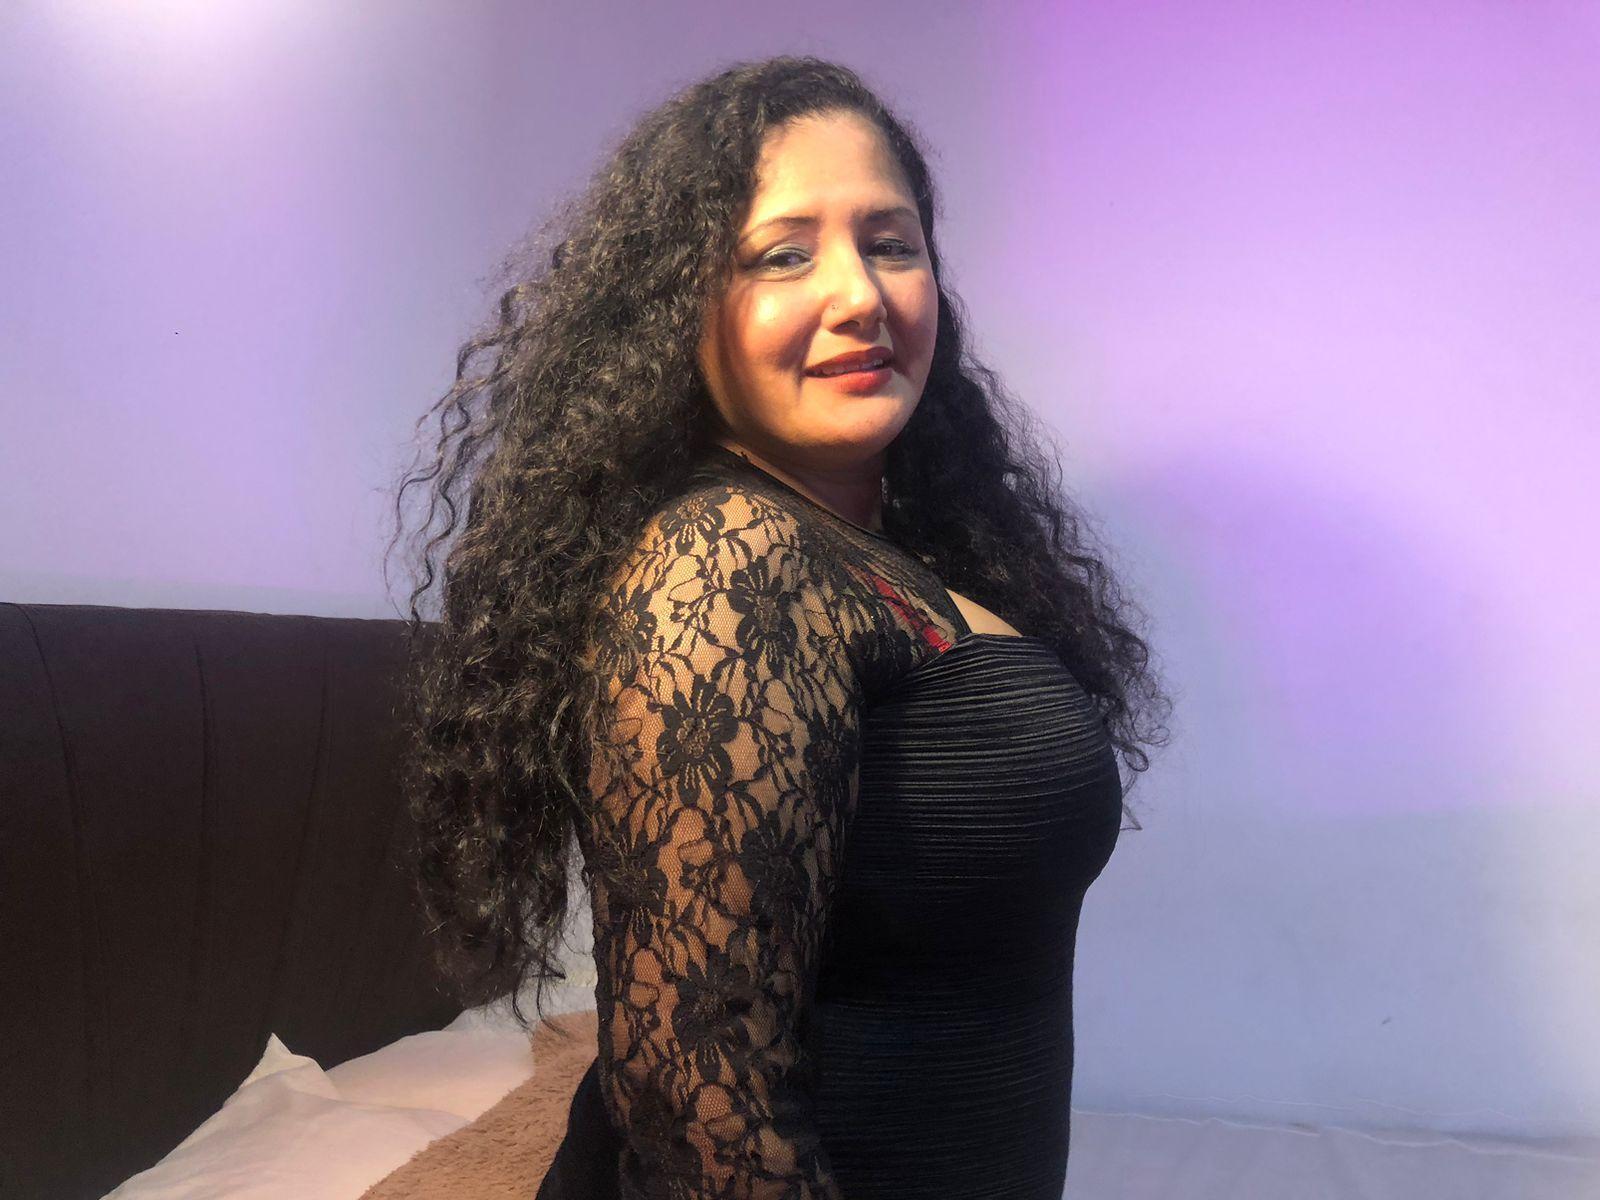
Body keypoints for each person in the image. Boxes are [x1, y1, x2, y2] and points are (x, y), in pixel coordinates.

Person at [387, 55, 1172, 1199]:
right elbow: (698, 1109)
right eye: (782, 255)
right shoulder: (725, 562)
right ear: (678, 308)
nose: (858, 294)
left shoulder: (889, 556)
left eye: (890, 243)